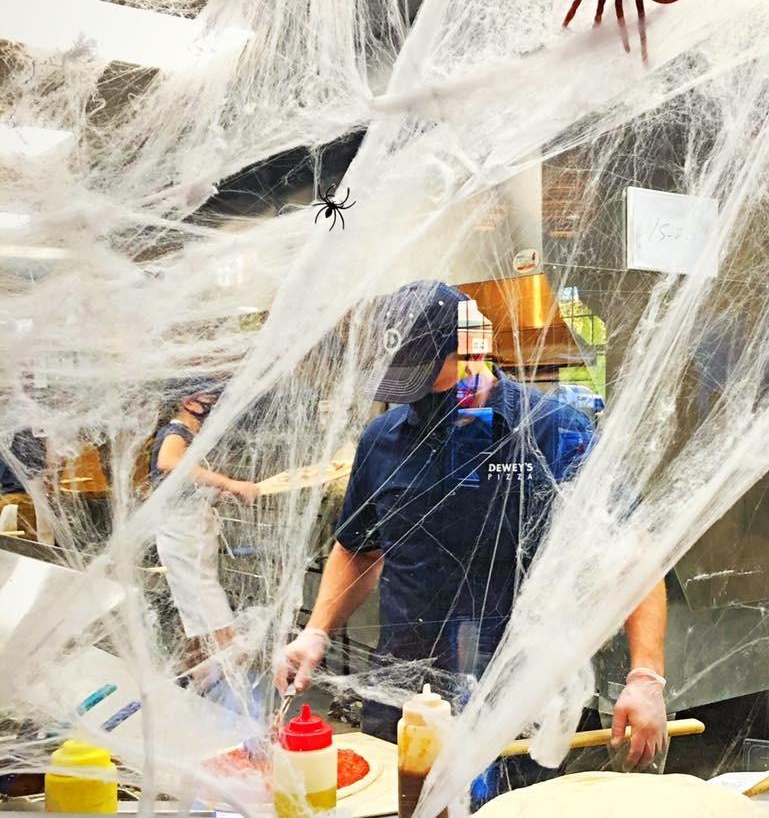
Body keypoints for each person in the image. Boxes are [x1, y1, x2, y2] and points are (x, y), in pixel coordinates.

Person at [277, 280, 668, 768]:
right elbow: (359, 548)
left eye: (426, 373)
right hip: (403, 695)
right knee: (395, 808)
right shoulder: (382, 440)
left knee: (506, 812)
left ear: (473, 349)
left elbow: (632, 554)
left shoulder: (553, 430)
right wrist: (316, 632)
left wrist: (645, 677)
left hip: (515, 700)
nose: (416, 392)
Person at [151, 380, 259, 662]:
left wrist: (219, 492)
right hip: (181, 531)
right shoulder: (176, 432)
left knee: (196, 600)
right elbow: (168, 462)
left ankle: (200, 667)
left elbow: (183, 484)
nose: (214, 405)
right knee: (202, 593)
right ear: (189, 402)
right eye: (209, 399)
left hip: (193, 529)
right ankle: (227, 654)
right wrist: (229, 483)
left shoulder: (190, 437)